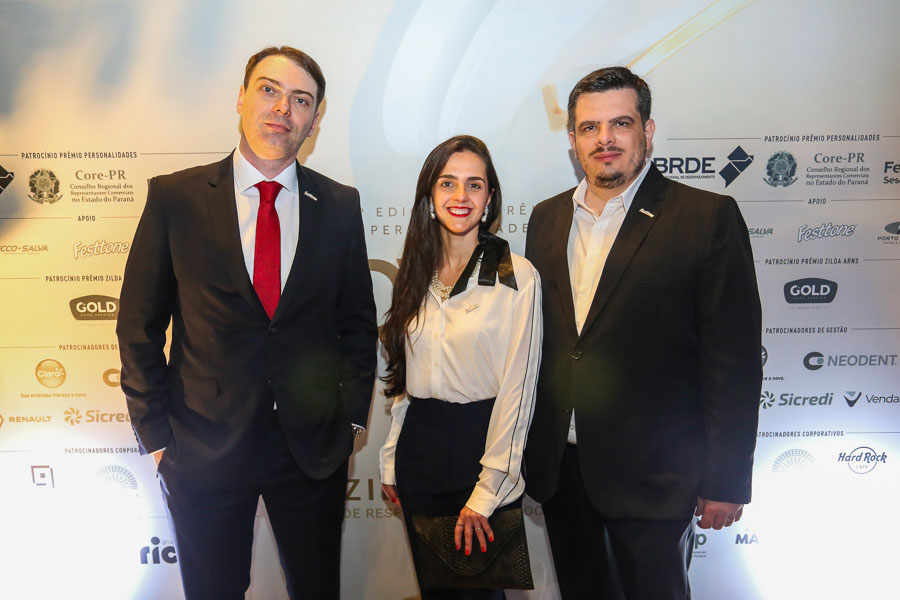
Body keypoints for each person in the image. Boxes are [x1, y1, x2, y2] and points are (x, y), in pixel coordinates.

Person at [117, 46, 377, 600]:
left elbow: (357, 323)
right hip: (201, 446)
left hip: (311, 449)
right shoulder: (176, 197)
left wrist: (352, 420)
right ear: (241, 97)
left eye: (301, 100)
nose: (283, 108)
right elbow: (138, 325)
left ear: (314, 119)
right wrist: (157, 437)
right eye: (269, 90)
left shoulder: (338, 204)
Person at [524, 67, 762, 599]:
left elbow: (734, 362)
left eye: (621, 123)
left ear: (647, 131)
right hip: (563, 473)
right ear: (572, 140)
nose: (604, 139)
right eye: (590, 127)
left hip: (657, 478)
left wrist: (725, 478)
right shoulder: (546, 219)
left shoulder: (706, 217)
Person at [379, 135, 542, 600]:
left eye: (475, 184)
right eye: (447, 183)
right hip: (419, 454)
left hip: (480, 452)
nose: (461, 196)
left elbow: (519, 391)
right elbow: (405, 379)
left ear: (490, 199)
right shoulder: (415, 272)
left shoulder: (516, 275)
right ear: (430, 196)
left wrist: (488, 491)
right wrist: (391, 457)